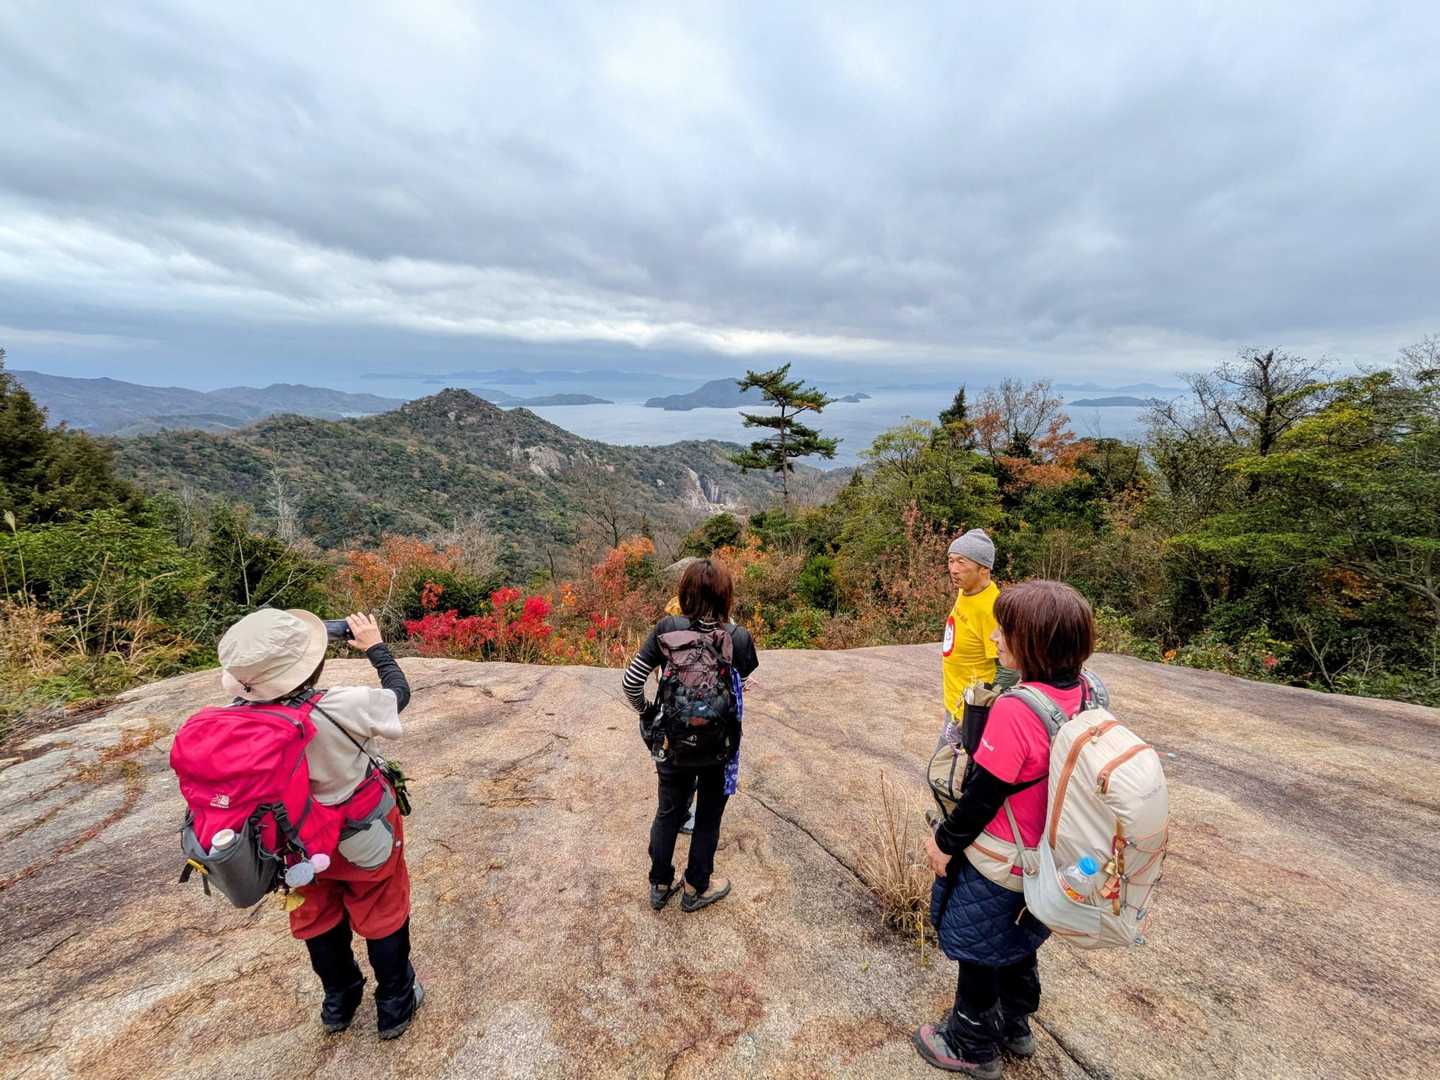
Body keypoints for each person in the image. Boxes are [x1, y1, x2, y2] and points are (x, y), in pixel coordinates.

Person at [913, 580, 1097, 1077]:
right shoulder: (1086, 691)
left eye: (1004, 630)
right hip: (1048, 854)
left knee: (979, 947)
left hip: (1000, 856)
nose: (995, 638)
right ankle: (1016, 1026)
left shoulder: (1017, 709)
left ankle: (970, 1044)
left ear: (1034, 642)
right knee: (1021, 938)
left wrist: (944, 844)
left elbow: (982, 797)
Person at [216, 608, 423, 1040]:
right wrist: (376, 648)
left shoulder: (235, 720)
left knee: (316, 914)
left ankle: (339, 1000)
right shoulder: (342, 705)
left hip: (293, 845)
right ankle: (395, 1003)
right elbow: (398, 694)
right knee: (382, 907)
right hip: (360, 834)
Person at [622, 558, 759, 912]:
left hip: (672, 742)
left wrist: (648, 711)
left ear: (684, 593)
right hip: (718, 747)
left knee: (668, 812)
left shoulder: (667, 628)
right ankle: (697, 887)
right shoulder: (738, 637)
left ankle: (660, 884)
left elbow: (631, 682)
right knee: (708, 818)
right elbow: (742, 683)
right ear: (726, 596)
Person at [939, 529, 1015, 749]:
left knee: (947, 767)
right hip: (955, 701)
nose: (953, 569)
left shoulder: (992, 609)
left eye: (961, 562)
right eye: (951, 561)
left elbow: (1009, 669)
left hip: (970, 712)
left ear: (984, 569)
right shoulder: (966, 590)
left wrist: (977, 712)